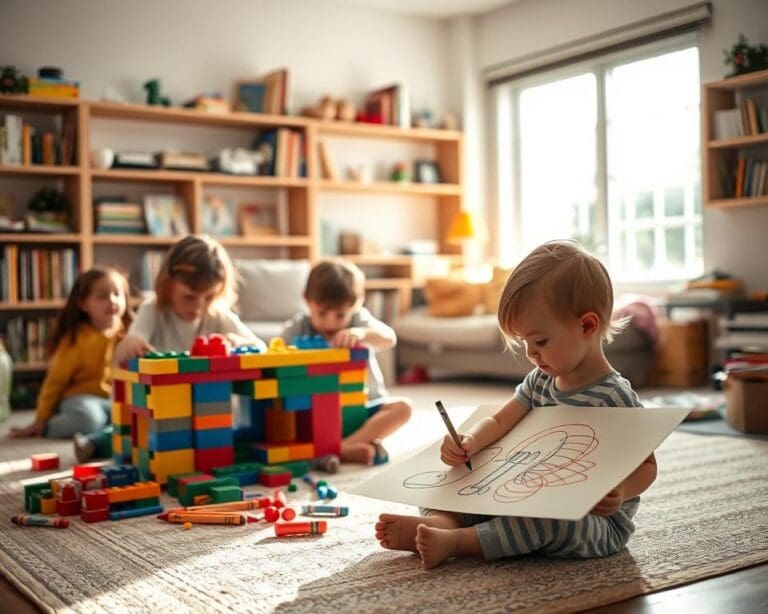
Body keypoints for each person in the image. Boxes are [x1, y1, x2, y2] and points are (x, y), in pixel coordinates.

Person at [375, 240, 656, 569]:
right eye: (524, 342)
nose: (530, 355)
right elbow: (499, 422)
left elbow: (648, 467)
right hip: (524, 491)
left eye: (540, 341)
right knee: (452, 483)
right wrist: (470, 442)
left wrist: (619, 490)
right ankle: (442, 521)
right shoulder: (541, 381)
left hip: (590, 520)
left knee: (546, 521)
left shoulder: (615, 397)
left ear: (586, 325)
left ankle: (458, 542)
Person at [281, 259, 411, 465]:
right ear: (306, 300)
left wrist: (361, 333)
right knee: (283, 417)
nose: (330, 322)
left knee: (403, 408)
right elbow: (274, 354)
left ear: (357, 303)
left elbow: (389, 338)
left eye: (340, 314)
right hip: (316, 414)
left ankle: (344, 446)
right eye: (322, 313)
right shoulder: (299, 326)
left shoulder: (358, 320)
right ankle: (354, 445)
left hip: (364, 409)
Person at [9, 266, 133, 461]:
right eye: (102, 296)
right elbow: (55, 381)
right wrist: (41, 418)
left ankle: (93, 443)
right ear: (83, 304)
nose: (112, 300)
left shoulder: (130, 336)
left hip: (113, 399)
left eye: (117, 294)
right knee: (91, 420)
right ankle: (51, 425)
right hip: (80, 398)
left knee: (129, 421)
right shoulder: (75, 340)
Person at [114, 234, 267, 365]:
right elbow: (134, 340)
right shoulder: (153, 310)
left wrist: (234, 341)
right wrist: (132, 344)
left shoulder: (216, 314)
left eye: (209, 297)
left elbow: (261, 347)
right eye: (189, 296)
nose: (199, 305)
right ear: (168, 284)